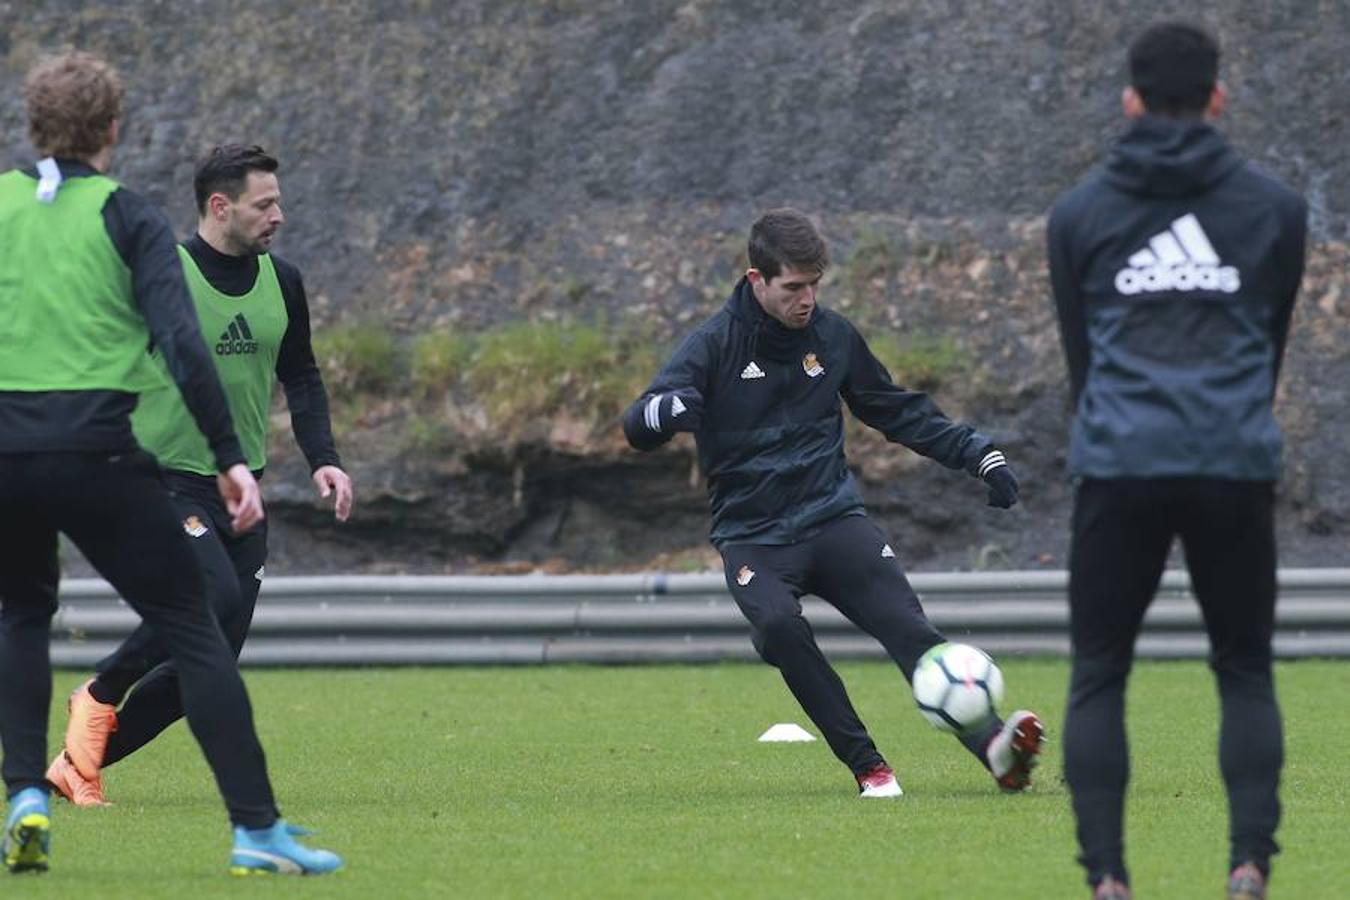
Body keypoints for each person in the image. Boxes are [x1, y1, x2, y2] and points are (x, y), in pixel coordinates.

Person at [0, 52, 340, 875]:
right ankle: (255, 829)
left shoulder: (4, 204)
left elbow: (294, 370)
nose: (277, 215)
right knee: (195, 620)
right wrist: (230, 456)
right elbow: (182, 343)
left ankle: (29, 795)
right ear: (113, 129)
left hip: (10, 451)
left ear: (32, 124)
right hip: (110, 453)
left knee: (22, 616)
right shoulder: (129, 217)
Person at [623, 208, 1044, 798]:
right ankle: (869, 765)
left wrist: (977, 454)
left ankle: (996, 748)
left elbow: (896, 410)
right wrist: (664, 411)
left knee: (909, 629)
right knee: (778, 626)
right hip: (754, 536)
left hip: (832, 519)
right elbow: (638, 423)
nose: (807, 300)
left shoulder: (833, 337)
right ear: (756, 280)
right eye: (794, 287)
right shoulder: (713, 346)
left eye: (815, 285)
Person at [1048, 22, 1306, 900]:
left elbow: (1082, 362)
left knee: (1099, 673)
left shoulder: (1078, 214)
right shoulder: (1276, 209)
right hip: (1231, 460)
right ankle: (1248, 864)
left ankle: (1107, 880)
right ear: (1218, 98)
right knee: (1244, 667)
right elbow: (1271, 343)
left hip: (1119, 462)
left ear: (1129, 100)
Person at [45, 144, 354, 808]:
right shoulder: (163, 275)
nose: (279, 215)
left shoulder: (284, 282)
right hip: (165, 480)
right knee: (209, 593)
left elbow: (301, 376)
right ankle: (99, 690)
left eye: (278, 202)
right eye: (264, 204)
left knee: (210, 660)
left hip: (242, 489)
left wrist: (324, 457)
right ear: (221, 206)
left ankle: (77, 763)